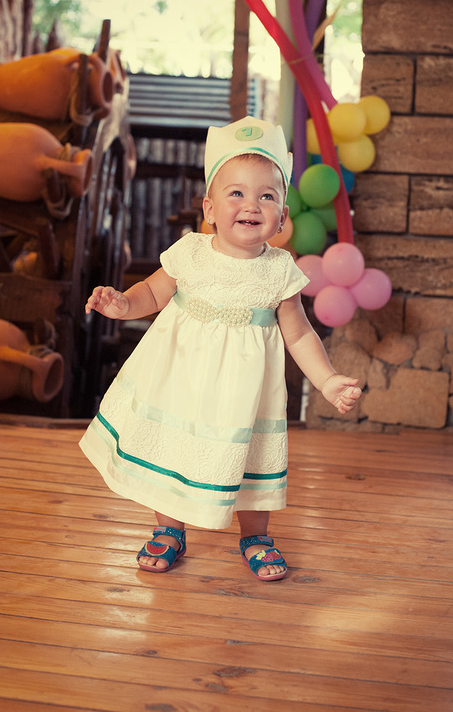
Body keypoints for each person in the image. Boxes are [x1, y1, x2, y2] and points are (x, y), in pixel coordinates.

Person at [79, 116, 361, 582]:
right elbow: (152, 293)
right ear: (209, 208)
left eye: (267, 196)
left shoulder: (279, 269)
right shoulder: (190, 252)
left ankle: (256, 536)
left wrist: (327, 380)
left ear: (282, 216)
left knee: (250, 455)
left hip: (244, 392)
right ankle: (169, 529)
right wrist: (124, 303)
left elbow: (299, 334)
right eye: (236, 193)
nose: (251, 204)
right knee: (173, 449)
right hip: (181, 379)